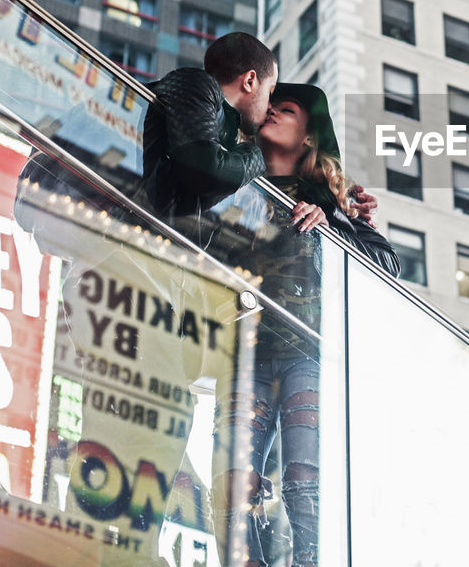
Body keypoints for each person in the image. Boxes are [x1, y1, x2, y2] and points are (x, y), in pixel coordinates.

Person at [213, 82, 398, 567]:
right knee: (229, 482)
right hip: (244, 350)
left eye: (286, 108)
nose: (271, 111)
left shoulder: (338, 206)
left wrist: (335, 228)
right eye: (268, 106)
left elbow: (387, 272)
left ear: (310, 137)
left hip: (309, 352)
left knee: (305, 481)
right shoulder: (232, 184)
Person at [141, 31, 278, 222]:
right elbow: (206, 174)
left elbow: (181, 203)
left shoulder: (223, 134)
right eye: (270, 92)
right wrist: (257, 157)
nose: (270, 106)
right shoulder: (196, 83)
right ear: (249, 81)